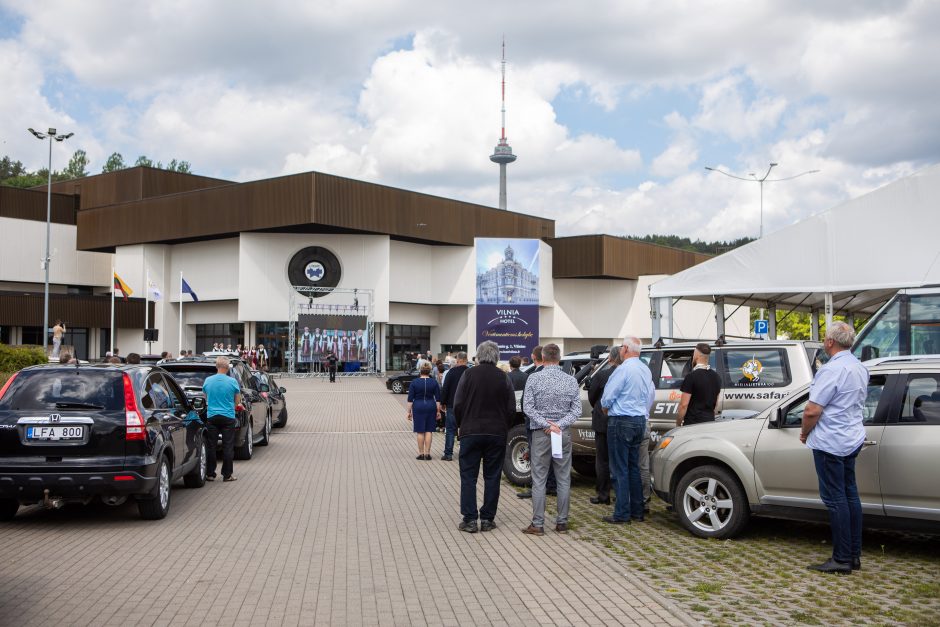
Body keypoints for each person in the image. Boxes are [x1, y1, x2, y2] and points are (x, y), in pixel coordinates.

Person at [801, 321, 868, 573]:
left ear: (830, 342)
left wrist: (804, 433)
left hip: (831, 441)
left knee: (835, 499)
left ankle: (841, 559)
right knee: (850, 495)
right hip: (852, 438)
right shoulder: (860, 367)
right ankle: (853, 555)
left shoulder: (831, 370)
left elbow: (812, 410)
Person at [453, 341, 515, 533]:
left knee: (468, 476)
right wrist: (504, 425)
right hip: (496, 432)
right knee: (492, 476)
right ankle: (488, 519)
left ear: (478, 356)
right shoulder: (504, 377)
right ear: (496, 357)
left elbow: (458, 404)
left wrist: (461, 424)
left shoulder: (468, 374)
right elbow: (511, 408)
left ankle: (470, 519)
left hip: (471, 431)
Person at [521, 343, 581, 536]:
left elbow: (528, 408)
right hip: (561, 434)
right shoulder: (571, 380)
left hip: (541, 434)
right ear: (559, 357)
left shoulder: (534, 378)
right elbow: (577, 410)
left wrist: (547, 425)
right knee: (563, 478)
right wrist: (559, 425)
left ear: (543, 357)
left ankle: (538, 524)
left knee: (539, 479)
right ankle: (562, 522)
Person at [600, 336, 655, 524]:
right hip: (640, 419)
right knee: (633, 468)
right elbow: (649, 396)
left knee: (619, 469)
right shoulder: (645, 370)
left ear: (625, 349)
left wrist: (605, 408)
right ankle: (637, 510)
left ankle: (622, 513)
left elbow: (608, 396)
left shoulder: (623, 369)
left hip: (621, 420)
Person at [517, 345, 557, 500]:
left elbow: (527, 402)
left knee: (537, 458)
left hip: (536, 423)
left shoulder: (534, 376)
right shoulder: (556, 375)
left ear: (534, 358)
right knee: (553, 456)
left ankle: (538, 488)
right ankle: (552, 485)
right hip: (554, 423)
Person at [587, 347, 624, 505]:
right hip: (621, 421)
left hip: (602, 421)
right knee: (619, 460)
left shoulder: (602, 375)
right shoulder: (626, 374)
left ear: (610, 358)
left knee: (602, 460)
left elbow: (592, 395)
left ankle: (603, 495)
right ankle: (621, 495)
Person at [202, 356, 242, 482]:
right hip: (228, 417)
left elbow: (205, 397)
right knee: (228, 446)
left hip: (212, 416)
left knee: (211, 446)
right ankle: (227, 474)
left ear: (217, 366)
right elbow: (237, 400)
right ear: (227, 367)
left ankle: (210, 473)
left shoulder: (208, 380)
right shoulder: (232, 381)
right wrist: (234, 406)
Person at [677, 343, 722, 427]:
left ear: (696, 355)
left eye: (694, 353)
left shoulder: (691, 377)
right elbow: (715, 404)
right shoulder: (717, 377)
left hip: (693, 424)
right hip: (709, 423)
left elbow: (683, 405)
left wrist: (678, 424)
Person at [407, 364, 441, 460]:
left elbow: (410, 399)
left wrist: (408, 412)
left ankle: (421, 454)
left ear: (420, 371)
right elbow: (438, 399)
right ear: (429, 371)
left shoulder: (414, 382)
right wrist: (438, 411)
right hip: (431, 406)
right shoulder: (434, 382)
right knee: (429, 430)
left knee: (420, 431)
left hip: (418, 406)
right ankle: (428, 453)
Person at [440, 352, 469, 461]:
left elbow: (445, 388)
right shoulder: (469, 372)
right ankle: (465, 454)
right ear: (465, 360)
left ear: (458, 360)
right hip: (467, 406)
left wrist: (443, 403)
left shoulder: (451, 372)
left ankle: (448, 454)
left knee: (450, 430)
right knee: (465, 430)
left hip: (452, 405)